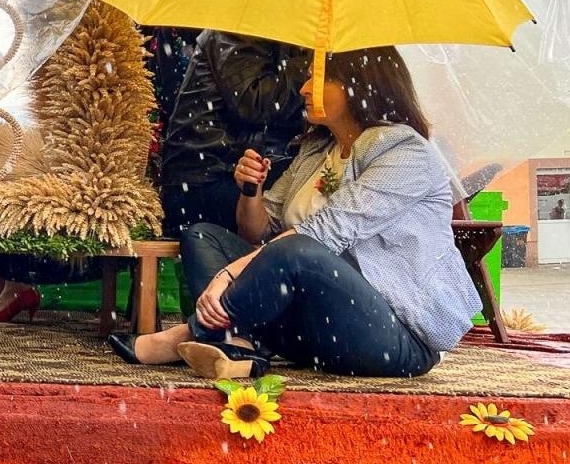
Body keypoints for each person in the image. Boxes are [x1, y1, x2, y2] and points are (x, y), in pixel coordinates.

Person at [109, 46, 479, 378]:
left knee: (298, 248)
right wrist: (250, 192)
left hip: (391, 337)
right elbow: (257, 234)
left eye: (317, 78)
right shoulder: (317, 151)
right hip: (313, 333)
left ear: (359, 84)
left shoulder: (404, 151)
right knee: (203, 234)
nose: (302, 88)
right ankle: (236, 345)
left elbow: (324, 233)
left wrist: (226, 276)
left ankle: (192, 333)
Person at [158, 31, 308, 248]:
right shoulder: (237, 32)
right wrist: (310, 62)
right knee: (303, 209)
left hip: (233, 171)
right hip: (205, 179)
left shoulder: (275, 35)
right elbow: (255, 103)